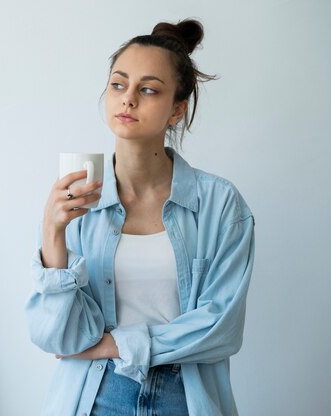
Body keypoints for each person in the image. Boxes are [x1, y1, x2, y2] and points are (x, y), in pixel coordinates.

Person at [25, 18, 255, 416]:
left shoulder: (220, 204)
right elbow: (58, 337)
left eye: (148, 89)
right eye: (118, 84)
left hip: (186, 397)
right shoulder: (79, 202)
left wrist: (116, 344)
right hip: (95, 395)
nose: (128, 99)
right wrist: (53, 233)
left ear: (176, 111)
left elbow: (221, 327)